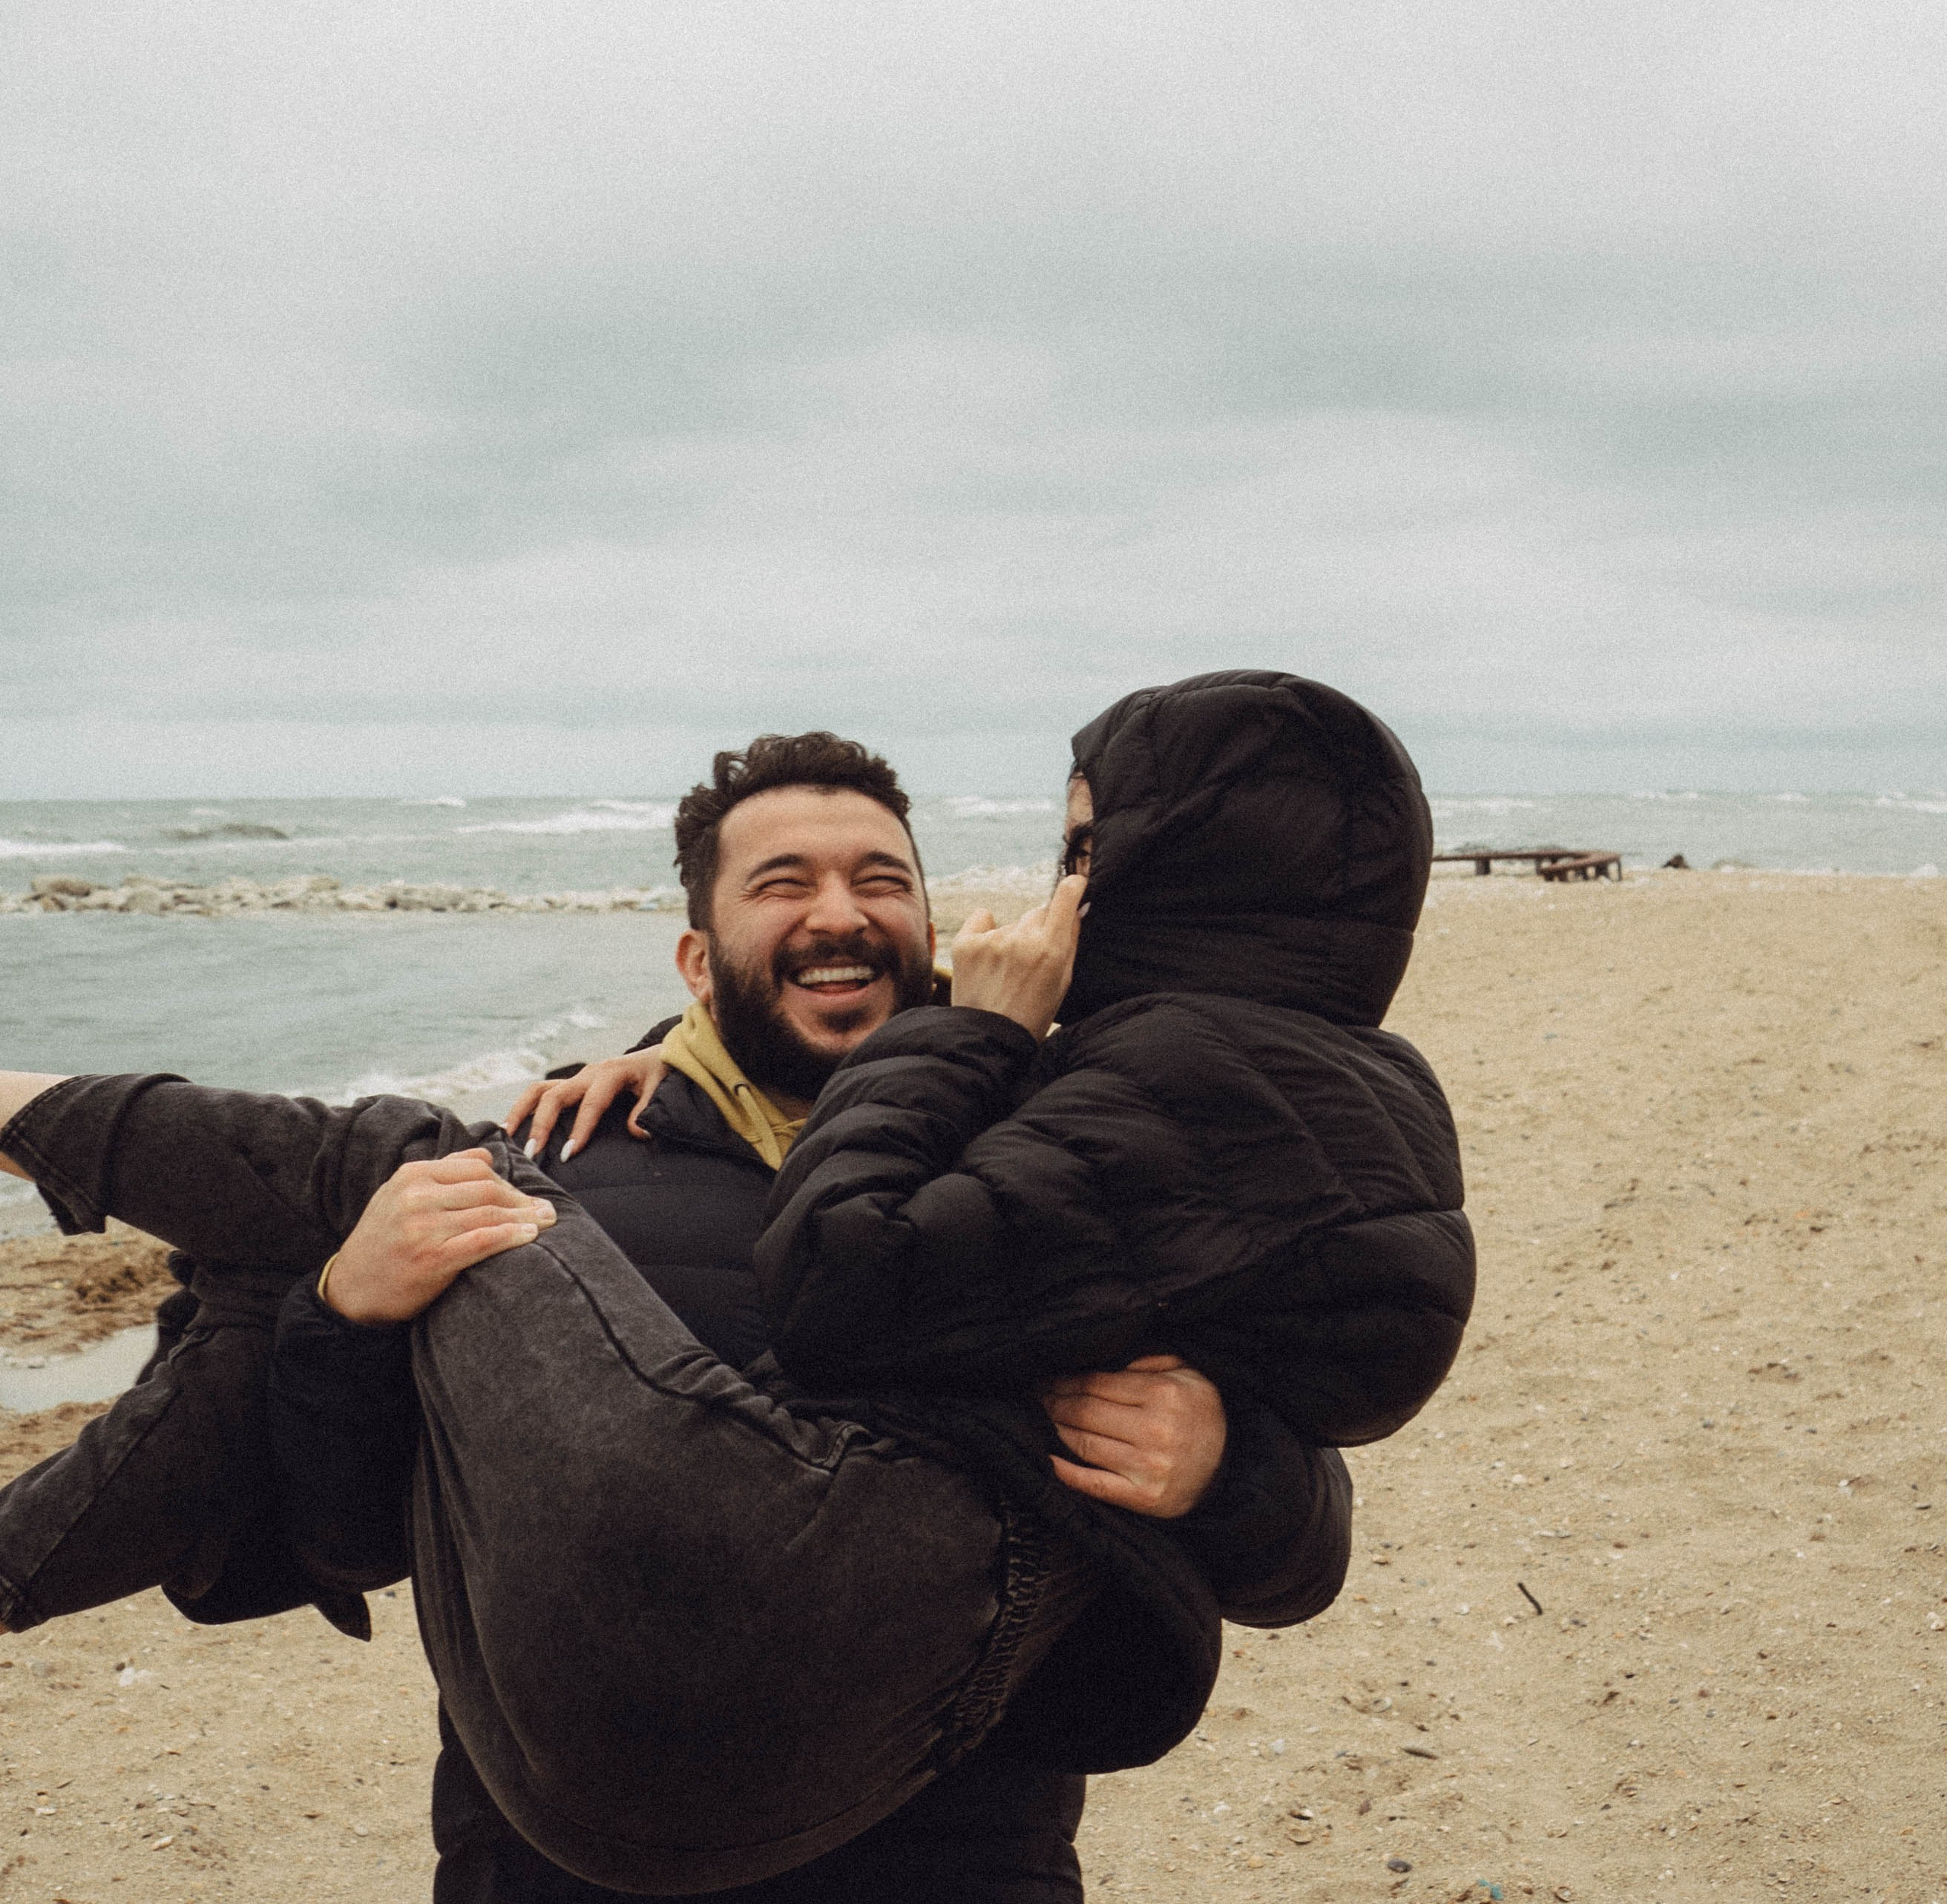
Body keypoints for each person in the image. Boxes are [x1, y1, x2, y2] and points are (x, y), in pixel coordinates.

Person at [0, 676, 1469, 1896]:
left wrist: (1226, 1468)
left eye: (879, 880)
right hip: (557, 1859)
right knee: (345, 1217)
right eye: (786, 885)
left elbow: (1303, 1560)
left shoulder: (1073, 1153)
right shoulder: (556, 1163)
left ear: (938, 930)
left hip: (955, 1852)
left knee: (335, 1180)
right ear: (701, 960)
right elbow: (352, 1535)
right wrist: (346, 1311)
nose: (839, 913)